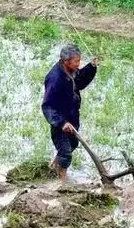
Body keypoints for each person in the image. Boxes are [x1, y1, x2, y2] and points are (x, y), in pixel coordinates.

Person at [41, 44, 99, 180]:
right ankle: (62, 180)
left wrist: (91, 67)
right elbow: (47, 106)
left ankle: (54, 166)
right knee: (66, 153)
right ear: (65, 61)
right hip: (60, 121)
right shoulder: (55, 79)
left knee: (72, 144)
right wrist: (62, 123)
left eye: (79, 61)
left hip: (72, 117)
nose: (79, 64)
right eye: (76, 61)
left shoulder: (70, 70)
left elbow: (79, 82)